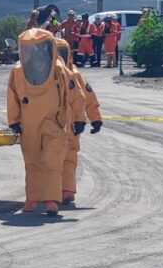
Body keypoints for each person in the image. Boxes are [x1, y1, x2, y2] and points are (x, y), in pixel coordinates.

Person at [7, 28, 70, 216]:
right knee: (32, 162)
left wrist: (77, 119)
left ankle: (51, 200)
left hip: (53, 122)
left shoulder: (58, 69)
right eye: (30, 48)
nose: (35, 51)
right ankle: (32, 199)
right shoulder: (18, 70)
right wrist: (14, 120)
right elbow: (12, 96)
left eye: (39, 47)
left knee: (52, 162)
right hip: (29, 124)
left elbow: (72, 93)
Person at [54, 36, 102, 206]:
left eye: (60, 53)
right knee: (48, 158)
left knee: (67, 157)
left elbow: (87, 97)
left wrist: (94, 118)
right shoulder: (41, 75)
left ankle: (65, 191)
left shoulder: (74, 74)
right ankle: (47, 191)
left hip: (70, 125)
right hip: (50, 123)